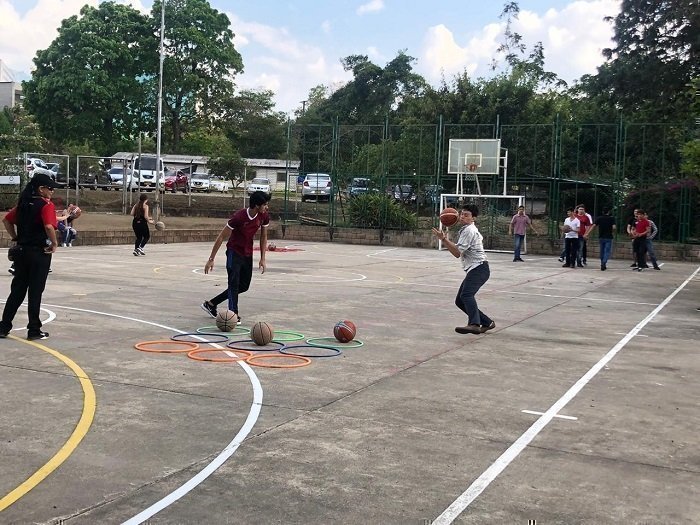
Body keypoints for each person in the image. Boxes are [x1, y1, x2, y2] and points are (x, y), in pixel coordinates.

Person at [0, 173, 60, 340]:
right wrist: (54, 243)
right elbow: (49, 226)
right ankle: (34, 329)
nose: (52, 191)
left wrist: (15, 237)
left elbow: (6, 220)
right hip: (39, 252)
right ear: (41, 189)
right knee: (35, 292)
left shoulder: (23, 204)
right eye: (50, 188)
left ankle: (4, 326)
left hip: (22, 252)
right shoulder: (46, 205)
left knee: (17, 290)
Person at [201, 191, 271, 324]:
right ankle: (233, 314)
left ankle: (211, 304)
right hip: (234, 252)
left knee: (244, 286)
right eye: (265, 204)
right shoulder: (239, 217)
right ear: (257, 205)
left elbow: (264, 236)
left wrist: (263, 258)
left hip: (247, 253)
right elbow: (221, 236)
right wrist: (211, 259)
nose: (267, 207)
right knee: (233, 283)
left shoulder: (264, 216)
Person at [431, 204, 495, 335]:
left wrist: (443, 239)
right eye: (461, 214)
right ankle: (487, 322)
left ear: (473, 218)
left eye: (466, 215)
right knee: (460, 301)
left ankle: (474, 324)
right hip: (476, 269)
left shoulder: (469, 230)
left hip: (479, 268)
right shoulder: (467, 229)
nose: (462, 217)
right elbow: (457, 251)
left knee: (466, 295)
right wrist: (444, 239)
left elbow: (457, 252)